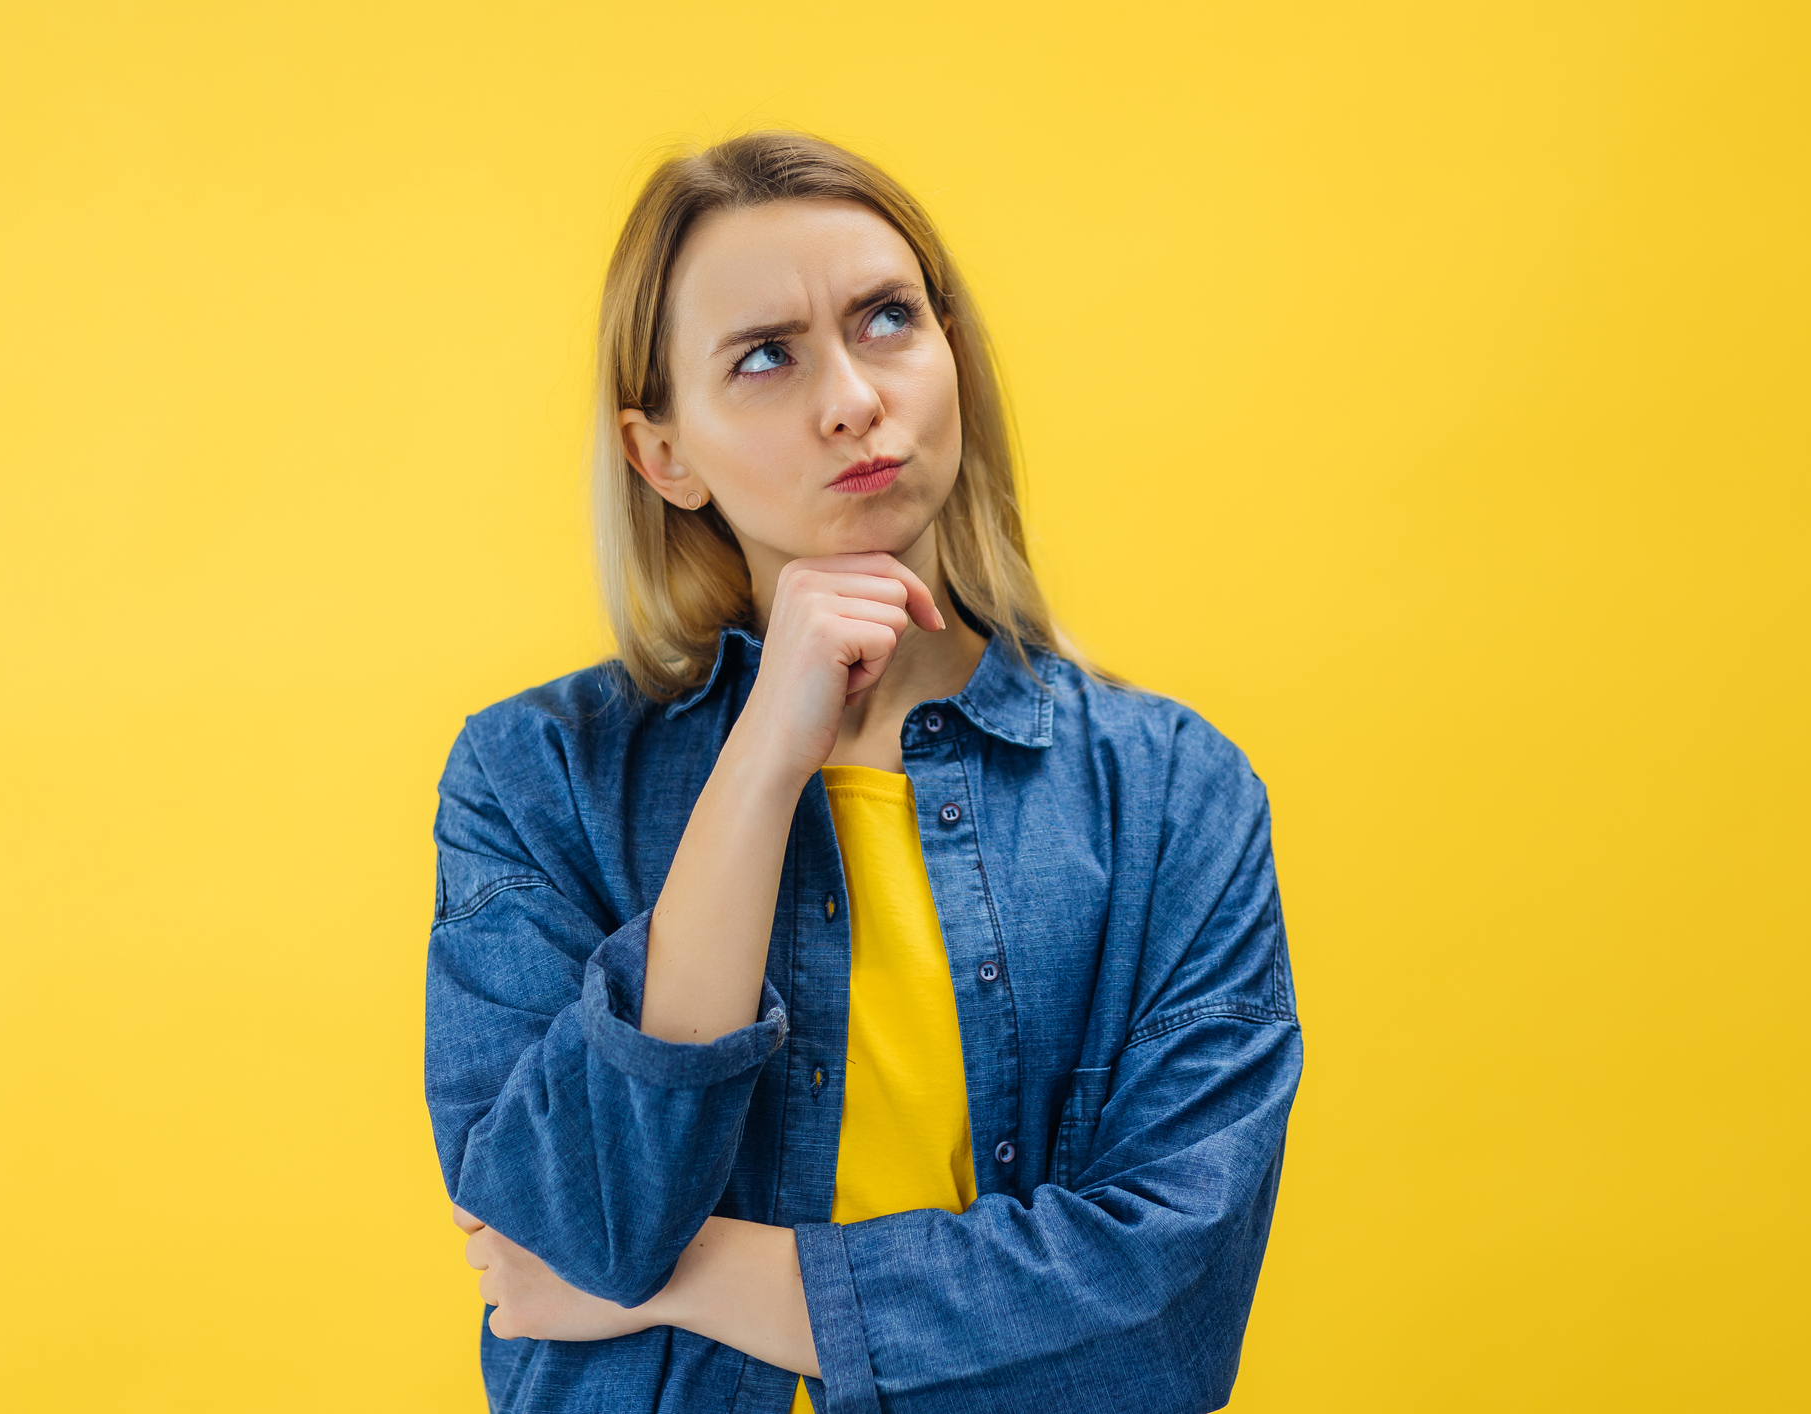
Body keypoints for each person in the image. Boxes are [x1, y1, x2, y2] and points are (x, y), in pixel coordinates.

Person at [425, 131, 1301, 1414]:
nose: (850, 396)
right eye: (766, 356)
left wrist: (696, 1276)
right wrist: (765, 758)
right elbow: (580, 1207)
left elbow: (1164, 1316)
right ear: (663, 454)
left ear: (953, 355)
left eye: (887, 319)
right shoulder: (537, 777)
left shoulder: (1175, 798)